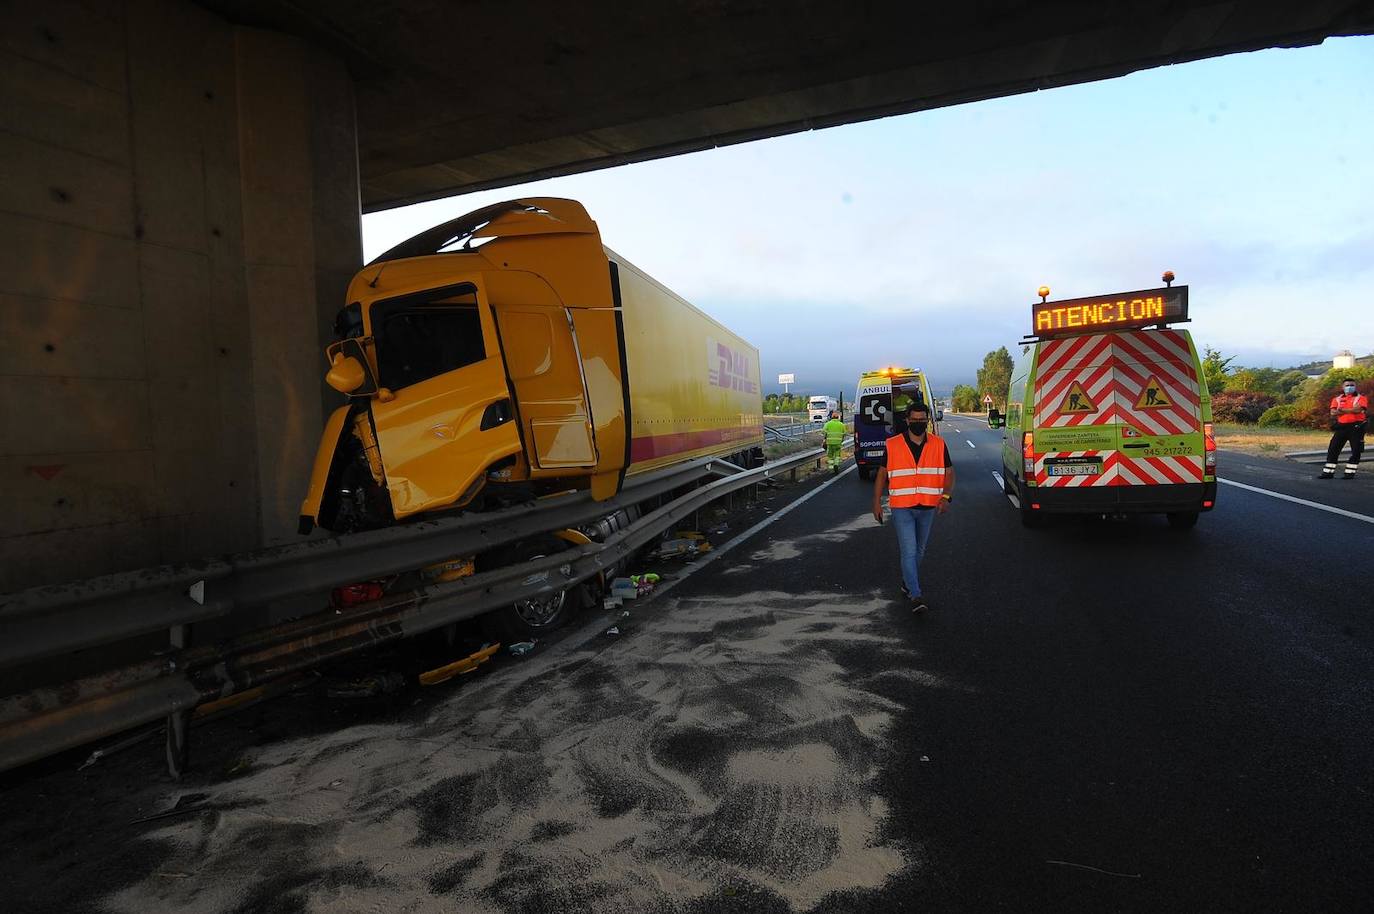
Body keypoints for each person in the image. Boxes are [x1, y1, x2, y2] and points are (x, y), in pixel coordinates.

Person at [871, 401, 955, 612]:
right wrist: (876, 503)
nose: (918, 423)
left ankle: (907, 582)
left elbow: (949, 472)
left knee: (919, 550)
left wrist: (945, 497)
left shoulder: (938, 444)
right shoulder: (893, 444)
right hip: (902, 506)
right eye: (914, 420)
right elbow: (882, 474)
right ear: (907, 420)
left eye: (922, 420)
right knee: (909, 550)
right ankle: (915, 595)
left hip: (927, 506)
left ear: (927, 421)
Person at [1320, 378, 1367, 479]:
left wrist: (1342, 410)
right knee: (1333, 449)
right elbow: (1333, 412)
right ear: (1343, 387)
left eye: (1352, 385)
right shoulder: (1337, 399)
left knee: (1356, 450)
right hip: (1341, 427)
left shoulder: (1360, 398)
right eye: (1347, 385)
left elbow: (1358, 410)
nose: (1349, 387)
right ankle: (1328, 472)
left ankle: (1349, 473)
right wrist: (1350, 410)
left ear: (1355, 386)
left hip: (1356, 427)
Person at [823, 410, 846, 474]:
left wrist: (825, 439)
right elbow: (844, 433)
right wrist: (841, 439)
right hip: (838, 443)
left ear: (831, 417)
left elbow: (824, 432)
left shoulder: (827, 424)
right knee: (837, 455)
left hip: (829, 443)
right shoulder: (841, 424)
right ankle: (836, 464)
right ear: (838, 417)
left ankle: (831, 468)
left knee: (830, 456)